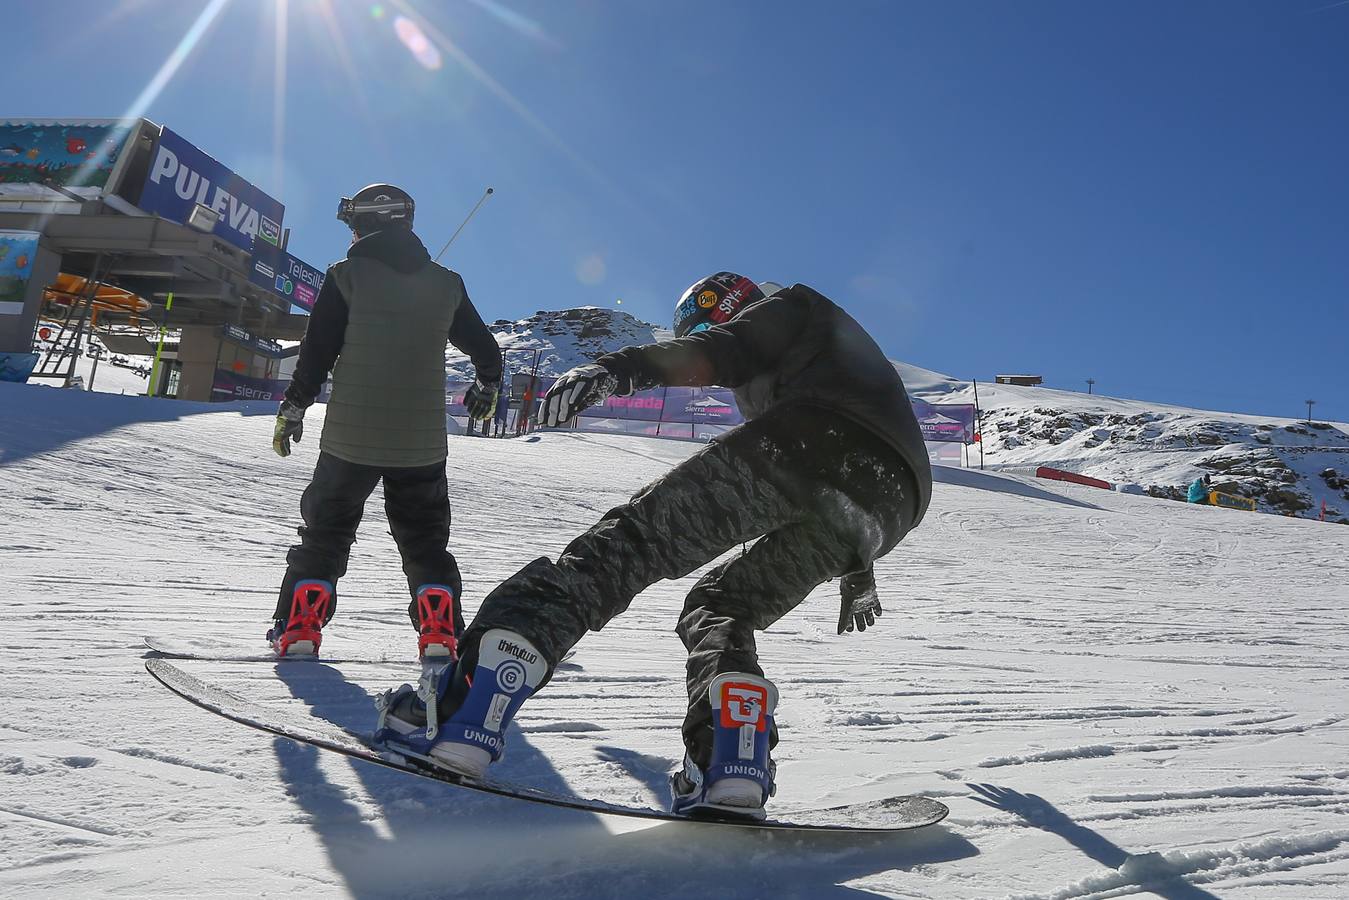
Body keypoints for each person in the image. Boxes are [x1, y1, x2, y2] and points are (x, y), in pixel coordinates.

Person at [375, 272, 932, 820]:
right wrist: (857, 565)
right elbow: (856, 465)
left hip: (817, 444)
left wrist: (617, 370)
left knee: (628, 548)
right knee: (723, 606)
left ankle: (457, 712)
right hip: (887, 507)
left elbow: (726, 348)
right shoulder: (814, 359)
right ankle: (731, 760)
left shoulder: (786, 309)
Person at [269, 184, 502, 658]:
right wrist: (488, 386)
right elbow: (486, 349)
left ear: (365, 223)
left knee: (326, 532)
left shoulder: (345, 276)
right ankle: (439, 630)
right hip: (419, 447)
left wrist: (294, 407)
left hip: (348, 442)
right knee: (425, 541)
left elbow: (316, 354)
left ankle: (300, 626)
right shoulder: (447, 284)